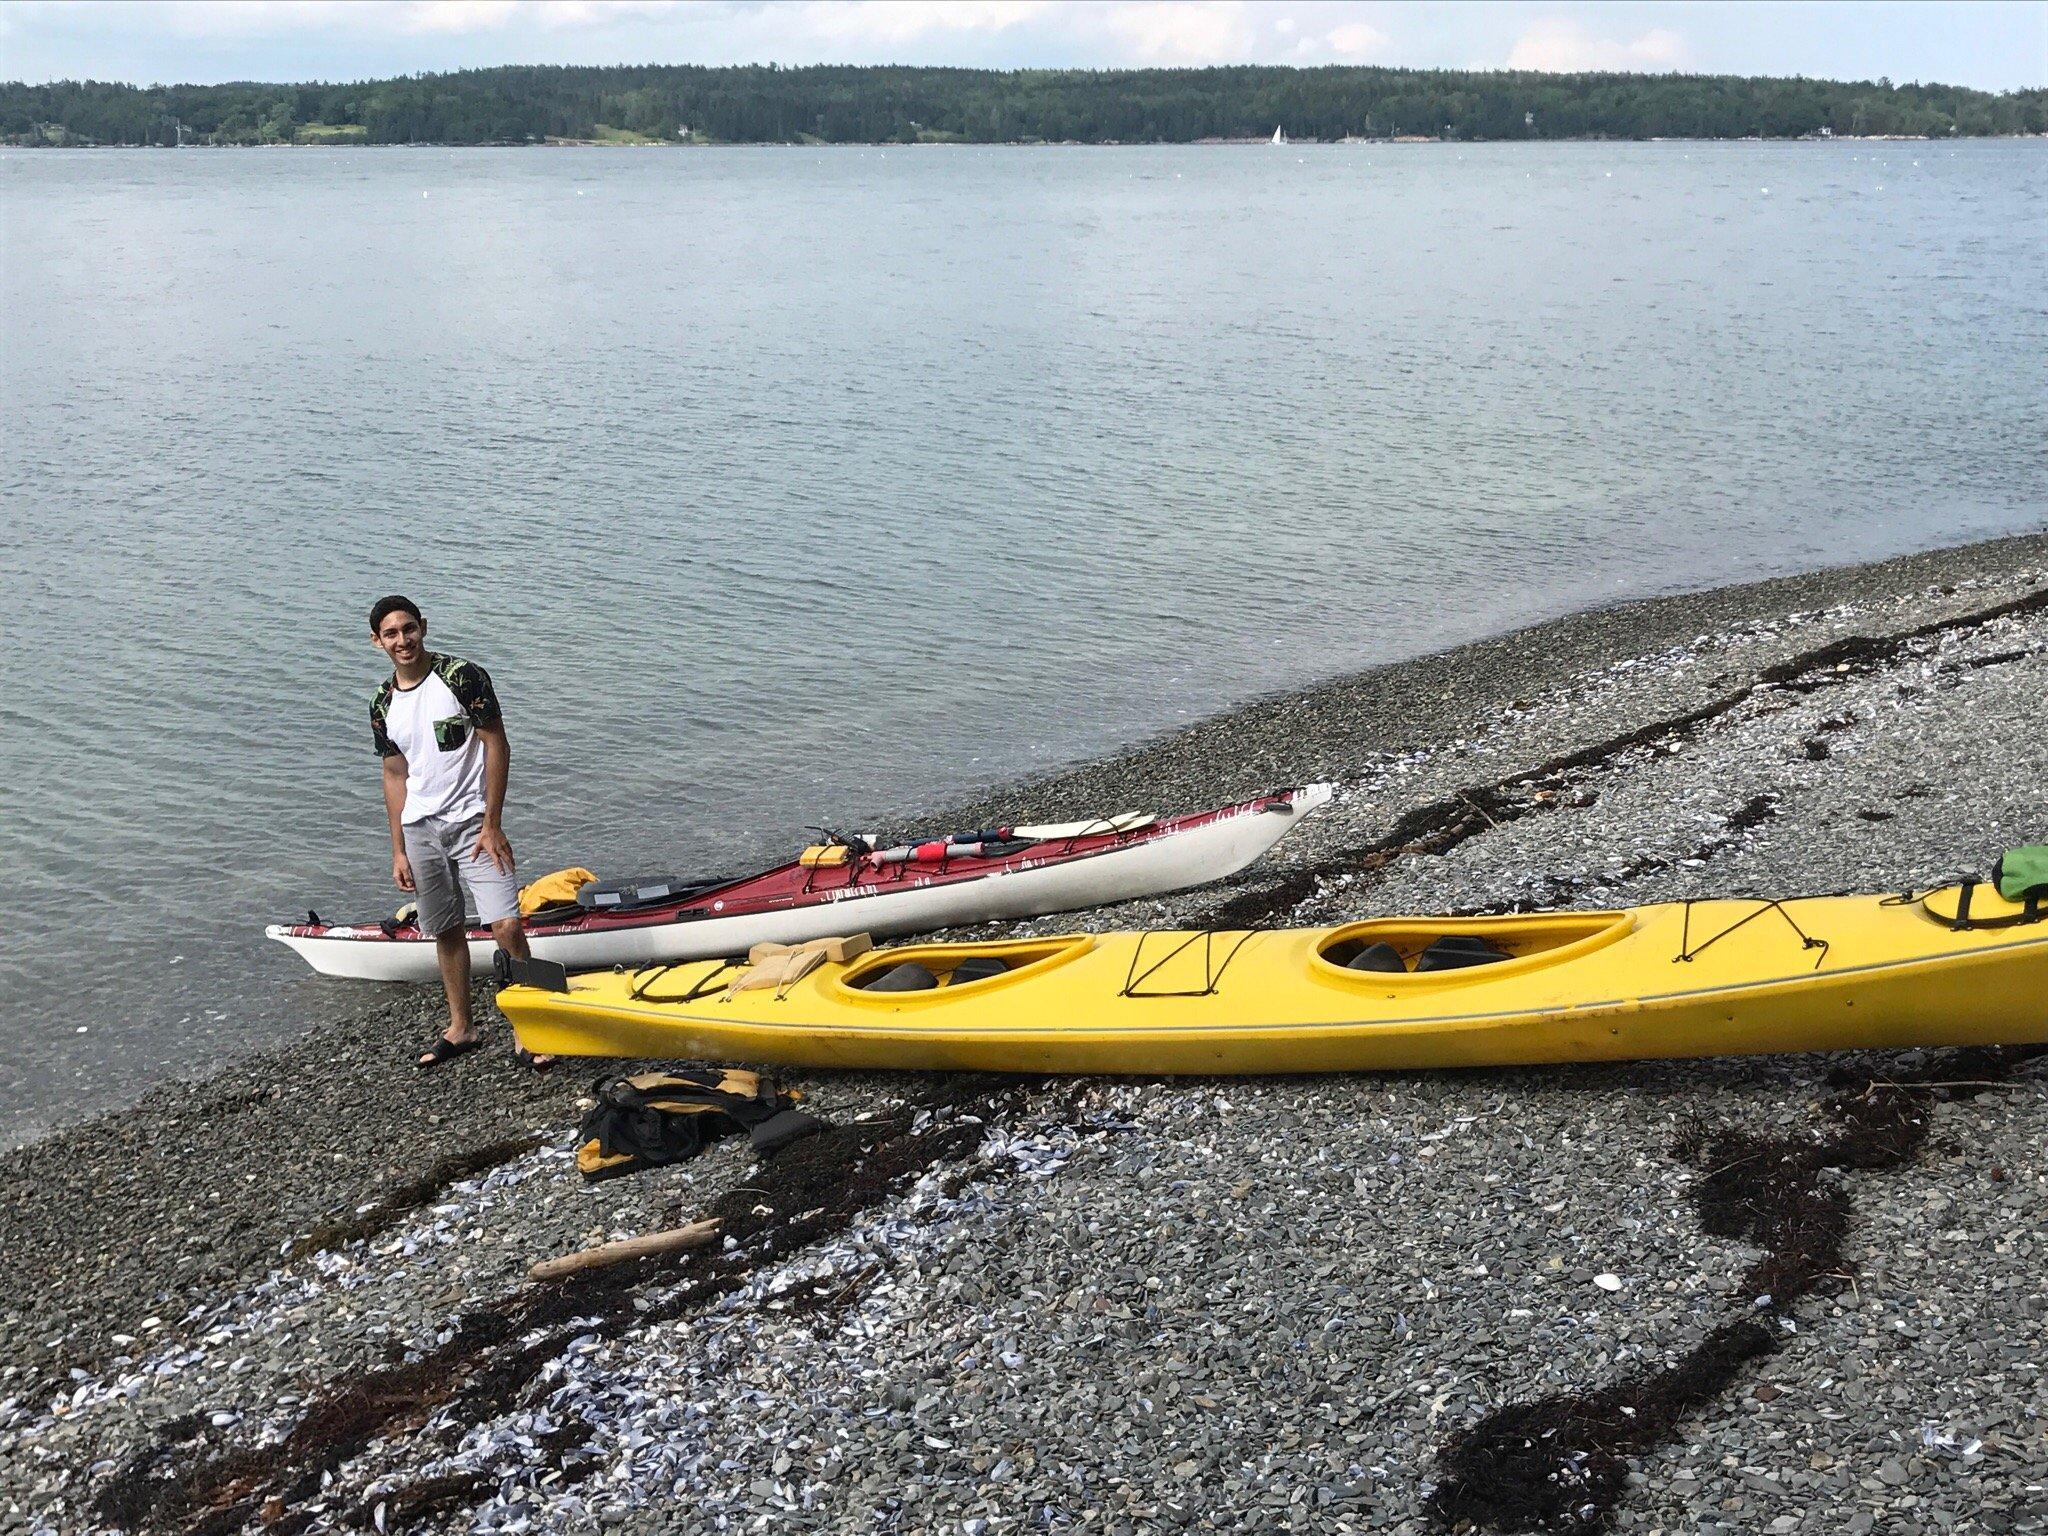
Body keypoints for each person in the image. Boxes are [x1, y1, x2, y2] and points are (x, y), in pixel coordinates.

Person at [366, 595, 548, 1069]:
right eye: (391, 634)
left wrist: (493, 822)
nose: (402, 640)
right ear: (376, 641)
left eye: (409, 629)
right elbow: (393, 774)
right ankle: (462, 1027)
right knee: (445, 931)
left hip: (474, 825)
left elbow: (496, 742)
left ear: (423, 627)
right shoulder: (382, 702)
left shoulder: (463, 676)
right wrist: (398, 849)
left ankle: (533, 1027)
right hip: (420, 829)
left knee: (505, 925)